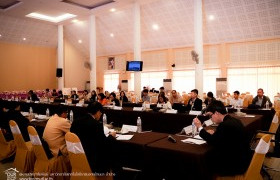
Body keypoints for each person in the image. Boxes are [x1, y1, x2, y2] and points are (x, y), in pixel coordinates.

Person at [193, 100, 251, 176]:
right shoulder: (234, 120)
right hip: (244, 159)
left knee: (201, 163)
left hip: (235, 165)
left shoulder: (224, 125)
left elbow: (212, 141)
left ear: (217, 113)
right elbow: (224, 138)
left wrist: (200, 127)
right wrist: (215, 133)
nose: (211, 119)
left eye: (211, 116)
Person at [70, 102, 118, 174]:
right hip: (93, 162)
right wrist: (111, 136)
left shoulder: (75, 122)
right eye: (101, 114)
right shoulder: (96, 125)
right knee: (115, 153)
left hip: (77, 159)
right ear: (98, 112)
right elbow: (103, 144)